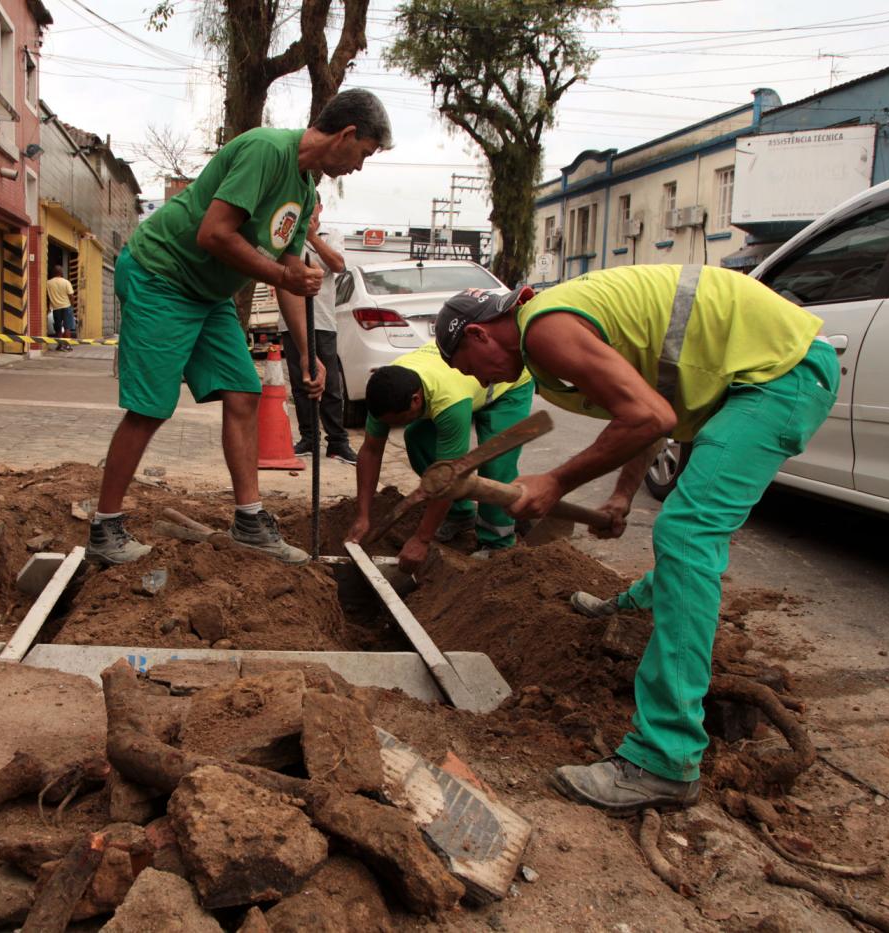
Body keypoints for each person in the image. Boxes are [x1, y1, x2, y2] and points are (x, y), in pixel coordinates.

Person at [435, 264, 838, 814]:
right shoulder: (555, 332)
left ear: (480, 333)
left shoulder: (544, 331)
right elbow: (655, 410)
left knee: (688, 531)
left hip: (777, 376)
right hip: (758, 377)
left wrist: (555, 481)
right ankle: (638, 606)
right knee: (682, 523)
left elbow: (648, 416)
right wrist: (621, 497)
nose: (482, 383)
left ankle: (664, 758)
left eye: (469, 368)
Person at [85, 88, 393, 566]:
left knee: (245, 392)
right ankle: (105, 528)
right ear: (347, 134)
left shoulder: (305, 187)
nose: (359, 166)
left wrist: (309, 354)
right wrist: (282, 273)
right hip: (160, 275)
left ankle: (250, 520)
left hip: (207, 293)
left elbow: (292, 279)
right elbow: (214, 234)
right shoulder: (267, 151)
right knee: (151, 407)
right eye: (365, 154)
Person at [343, 333, 534, 574]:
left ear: (415, 400)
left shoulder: (448, 403)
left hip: (507, 386)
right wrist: (363, 515)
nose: (394, 425)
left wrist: (422, 539)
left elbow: (449, 476)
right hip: (460, 384)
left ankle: (497, 542)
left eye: (399, 420)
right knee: (417, 438)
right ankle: (460, 514)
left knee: (495, 463)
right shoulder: (387, 392)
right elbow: (371, 452)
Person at [277, 191, 359, 465]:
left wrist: (312, 238)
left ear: (320, 208)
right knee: (301, 382)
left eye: (311, 206)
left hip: (322, 320)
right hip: (290, 321)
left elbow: (337, 265)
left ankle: (337, 441)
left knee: (331, 384)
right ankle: (308, 438)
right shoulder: (286, 233)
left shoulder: (331, 235)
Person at [46, 265, 76, 352]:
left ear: (53, 273)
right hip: (66, 307)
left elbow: (47, 297)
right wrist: (72, 305)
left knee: (58, 327)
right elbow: (71, 295)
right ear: (61, 272)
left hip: (55, 308)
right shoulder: (66, 282)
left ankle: (60, 345)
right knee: (67, 327)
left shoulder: (48, 283)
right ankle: (67, 346)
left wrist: (48, 307)